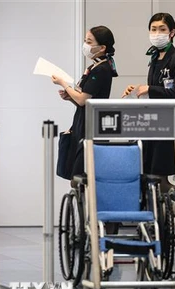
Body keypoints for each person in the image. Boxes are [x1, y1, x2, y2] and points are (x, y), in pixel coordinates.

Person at [122, 12, 175, 191]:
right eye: (153, 29)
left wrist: (149, 89)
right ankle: (151, 214)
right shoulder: (154, 58)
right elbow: (155, 89)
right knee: (147, 172)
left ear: (172, 32)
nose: (157, 33)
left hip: (167, 123)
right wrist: (137, 90)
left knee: (161, 176)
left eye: (162, 29)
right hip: (150, 122)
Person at [52, 25, 118, 184]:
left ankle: (89, 206)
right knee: (74, 174)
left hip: (92, 127)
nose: (85, 45)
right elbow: (83, 101)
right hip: (83, 121)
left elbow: (84, 99)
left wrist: (63, 83)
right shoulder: (94, 66)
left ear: (102, 47)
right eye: (85, 41)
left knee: (80, 175)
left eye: (89, 42)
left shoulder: (102, 69)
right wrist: (70, 97)